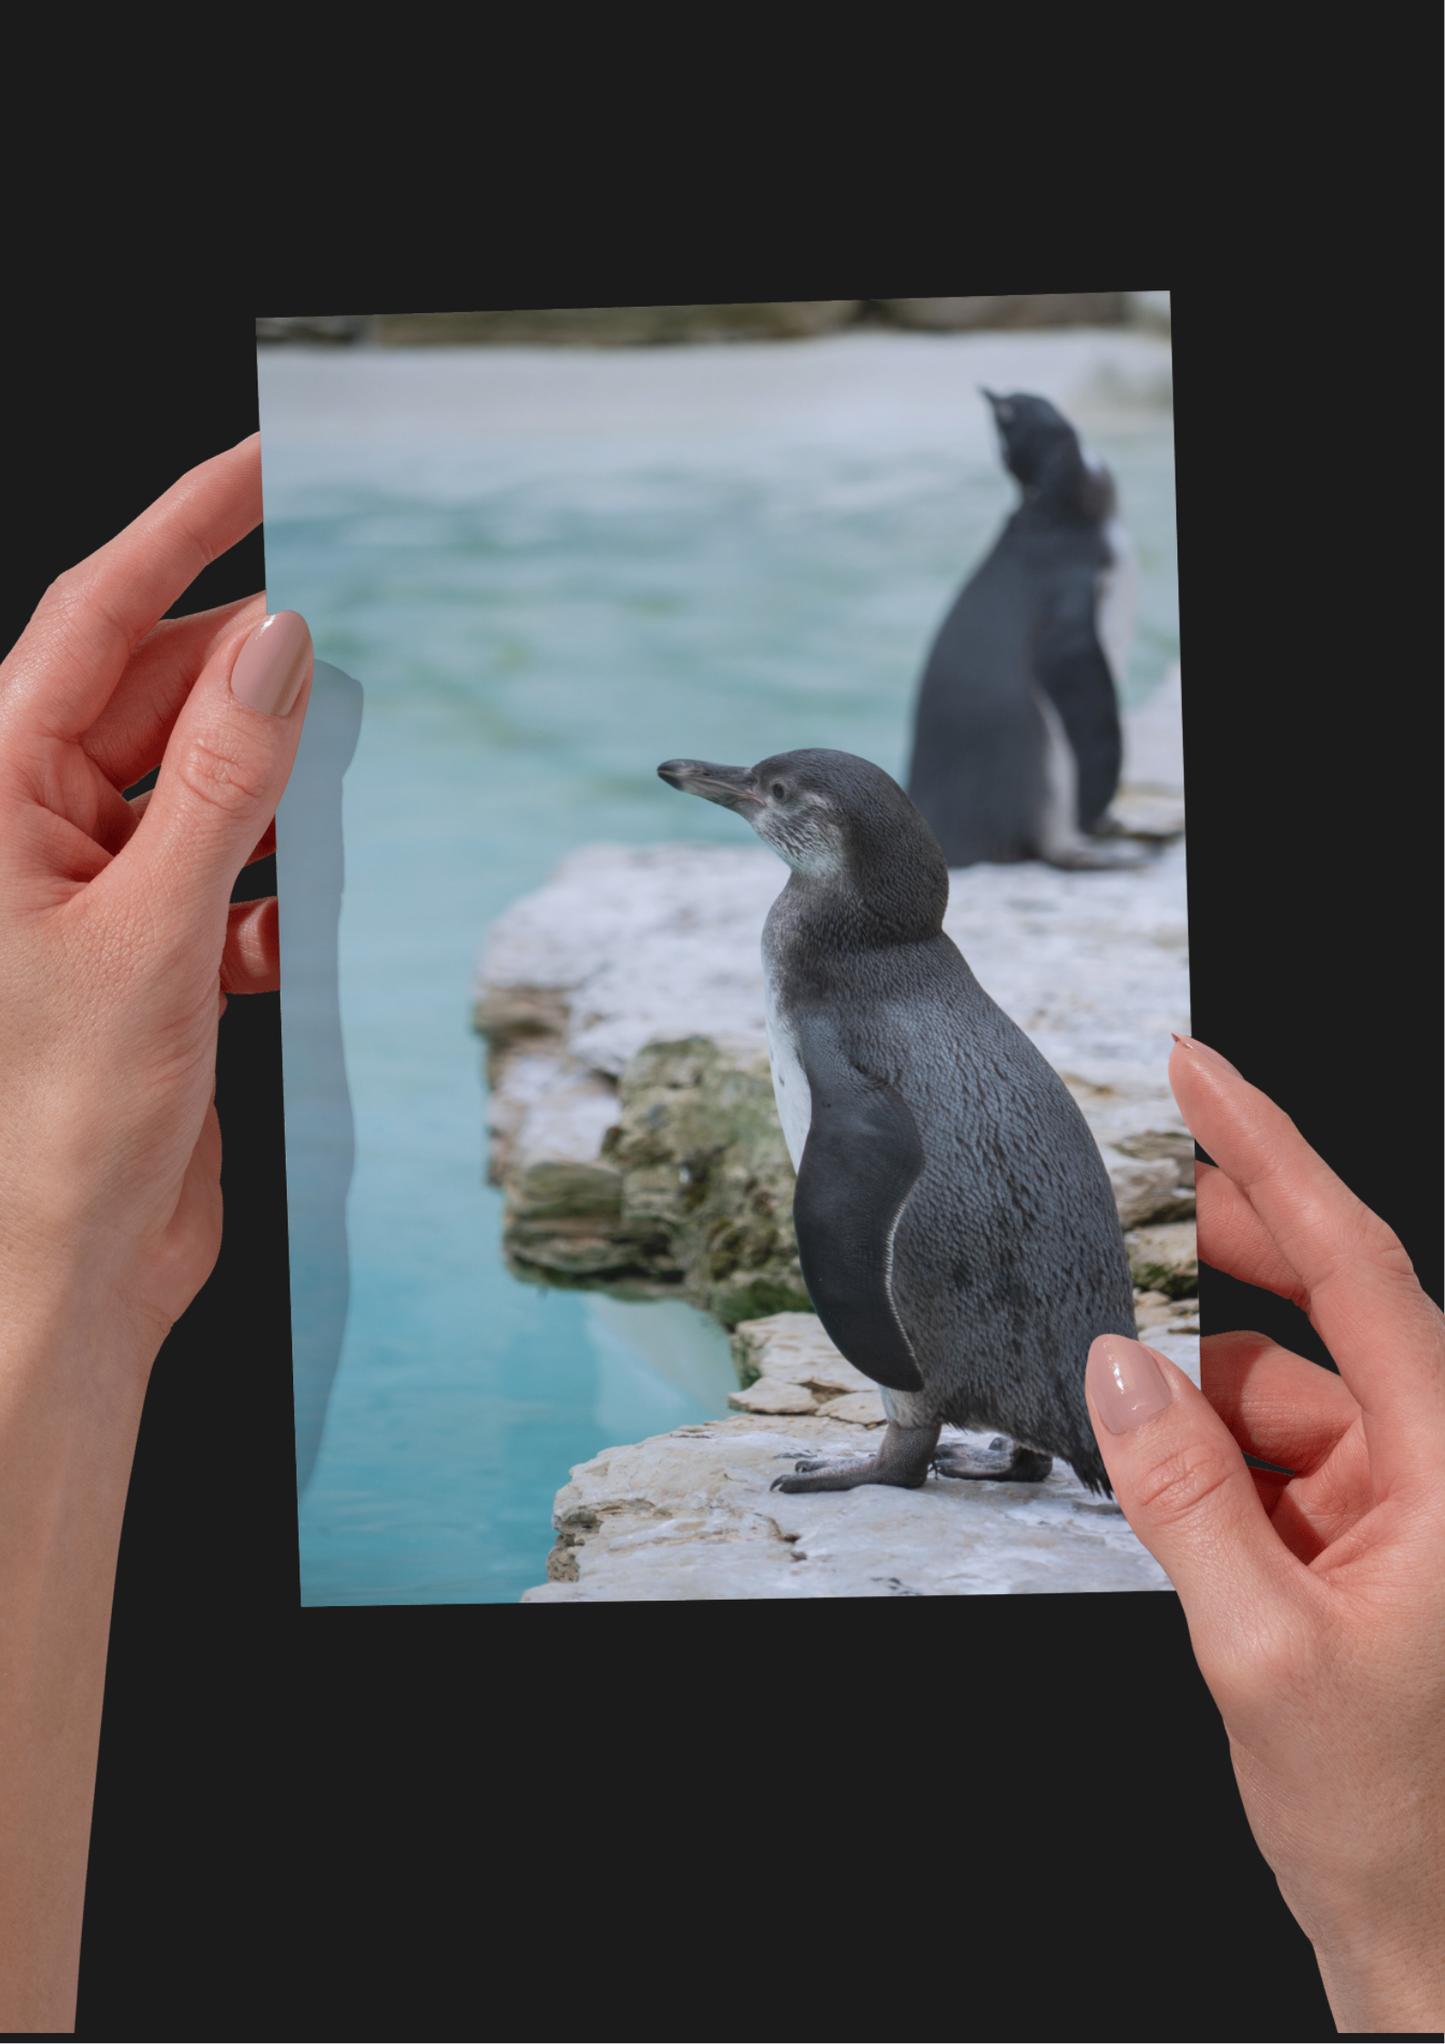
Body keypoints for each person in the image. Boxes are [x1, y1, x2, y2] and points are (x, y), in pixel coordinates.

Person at [0, 443, 1439, 2035]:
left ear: (835, 863)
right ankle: (1021, 1436)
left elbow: (868, 1181)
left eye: (777, 805)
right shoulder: (927, 983)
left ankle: (920, 1431)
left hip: (970, 1317)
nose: (743, 805)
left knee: (883, 1201)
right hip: (1064, 1342)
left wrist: (889, 1352)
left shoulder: (839, 977)